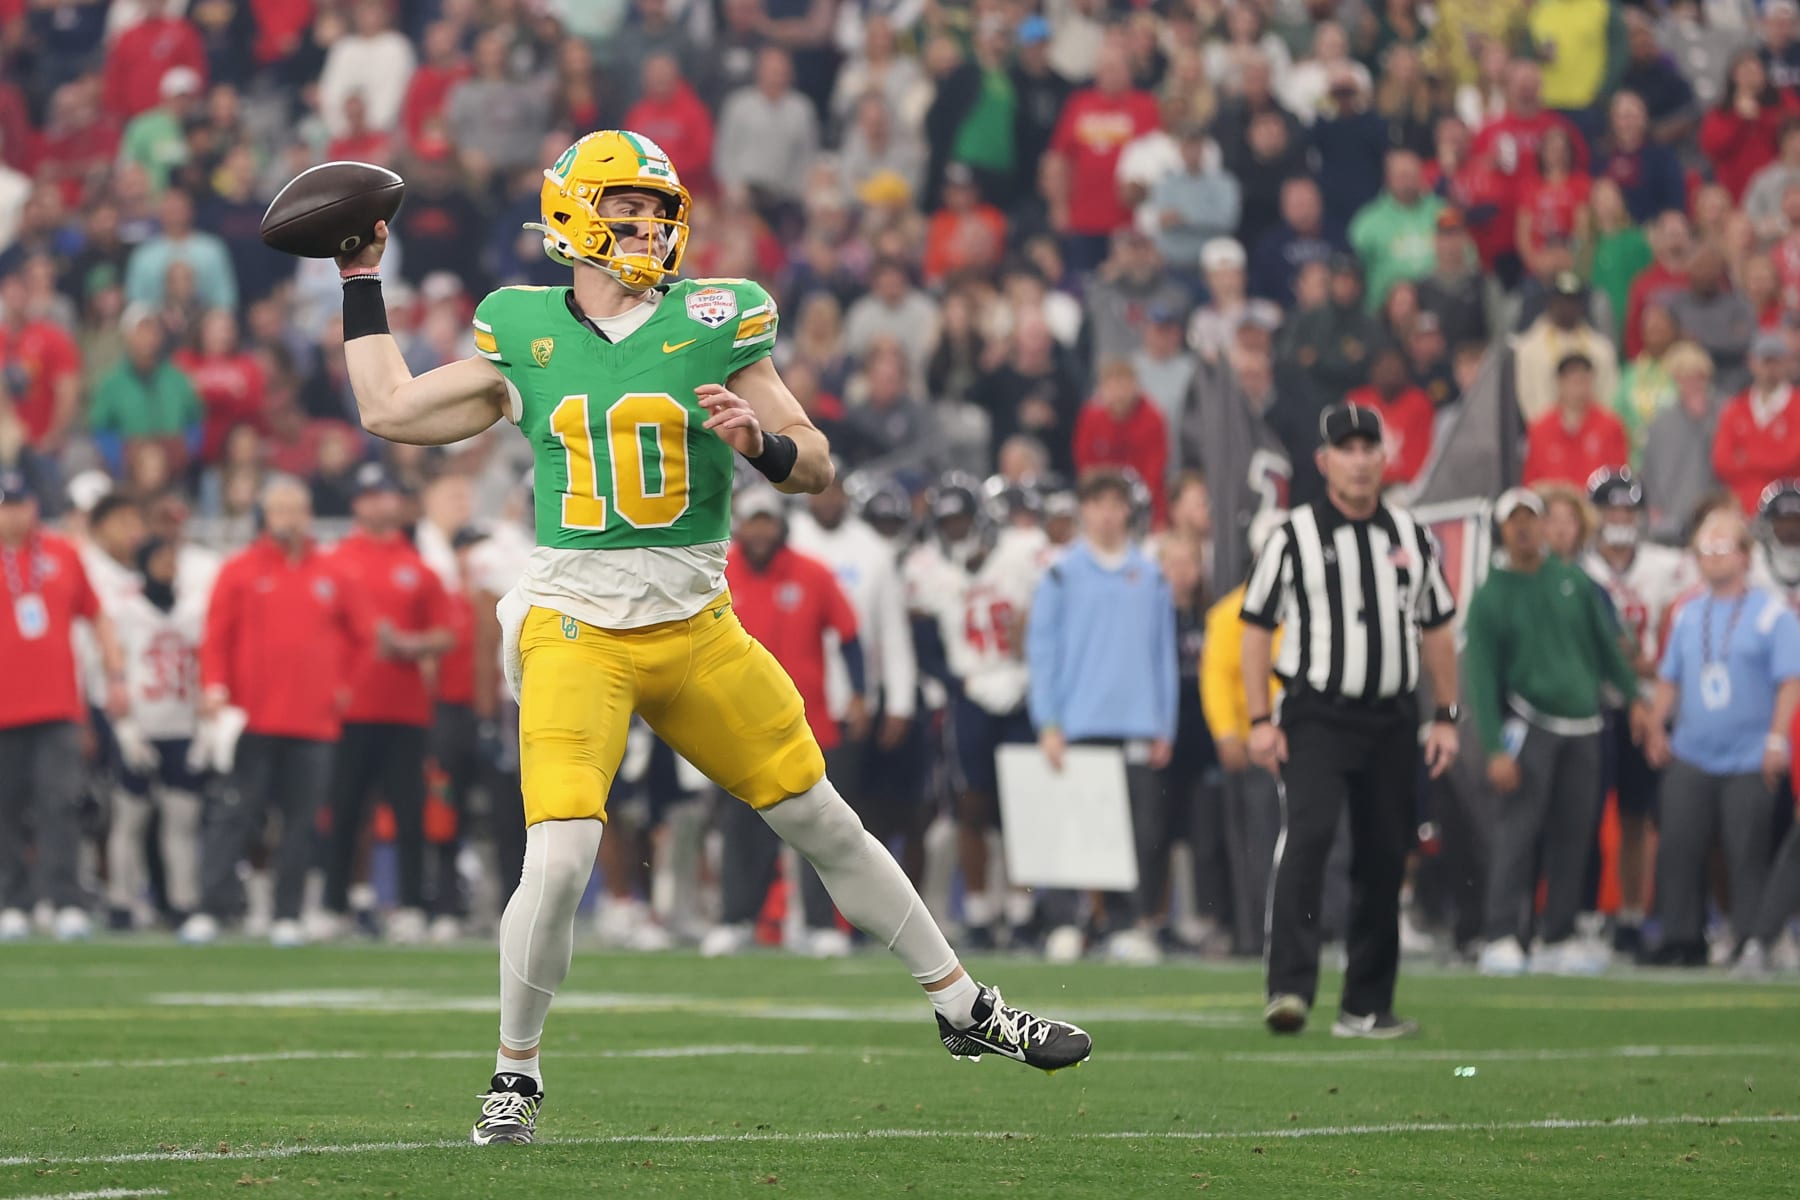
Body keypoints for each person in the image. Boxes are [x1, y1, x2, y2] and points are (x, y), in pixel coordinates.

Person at [331, 129, 1091, 1145]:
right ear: (574, 215)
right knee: (558, 861)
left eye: (657, 206)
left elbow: (817, 463)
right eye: (628, 206)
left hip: (696, 625)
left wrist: (762, 443)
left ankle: (962, 1007)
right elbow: (386, 409)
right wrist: (361, 279)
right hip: (577, 627)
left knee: (824, 819)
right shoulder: (521, 329)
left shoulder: (715, 318)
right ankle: (515, 1074)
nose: (650, 223)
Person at [1240, 404, 1460, 1038]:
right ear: (1324, 460)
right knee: (1307, 840)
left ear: (1384, 459)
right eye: (1348, 448)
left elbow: (1438, 627)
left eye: (1369, 448)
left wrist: (1444, 716)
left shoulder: (1412, 536)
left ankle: (1365, 1005)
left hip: (1391, 716)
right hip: (1316, 712)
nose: (1360, 460)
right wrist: (1260, 717)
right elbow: (1255, 629)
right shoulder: (1292, 535)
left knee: (1385, 855)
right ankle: (1289, 988)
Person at [1464, 487, 1653, 977]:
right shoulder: (1490, 596)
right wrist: (1492, 748)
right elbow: (1481, 681)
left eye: (1533, 517)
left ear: (1545, 525)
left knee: (1576, 834)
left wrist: (1633, 696)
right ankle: (1502, 932)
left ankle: (1558, 935)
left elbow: (1608, 649)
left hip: (1585, 724)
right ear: (1502, 530)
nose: (1525, 528)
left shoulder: (1574, 582)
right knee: (1518, 833)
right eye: (1515, 521)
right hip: (1531, 723)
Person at [187, 475, 367, 948]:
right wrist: (214, 688)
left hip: (313, 721)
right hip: (251, 717)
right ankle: (212, 907)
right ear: (264, 514)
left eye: (297, 508)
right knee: (235, 815)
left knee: (302, 821)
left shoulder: (332, 573)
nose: (289, 518)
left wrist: (343, 685)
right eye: (280, 508)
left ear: (309, 514)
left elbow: (360, 636)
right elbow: (215, 638)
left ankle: (288, 912)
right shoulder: (239, 570)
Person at [705, 484, 865, 959]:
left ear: (781, 525)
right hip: (736, 724)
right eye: (751, 521)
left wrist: (858, 693)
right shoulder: (717, 572)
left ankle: (822, 923)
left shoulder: (812, 573)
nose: (758, 531)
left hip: (808, 722)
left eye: (766, 521)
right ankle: (737, 918)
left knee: (818, 827)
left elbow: (850, 634)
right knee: (742, 829)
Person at [1025, 469, 1179, 964]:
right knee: (1079, 830)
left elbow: (1164, 654)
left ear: (1127, 511)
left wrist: (1165, 723)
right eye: (1099, 503)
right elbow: (1042, 650)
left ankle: (1129, 924)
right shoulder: (1061, 573)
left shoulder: (1151, 574)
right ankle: (1069, 923)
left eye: (1117, 504)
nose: (1108, 514)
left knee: (1142, 832)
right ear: (1084, 510)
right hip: (1080, 723)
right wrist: (1047, 721)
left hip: (1136, 723)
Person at [1647, 507, 1800, 970]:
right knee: (1677, 843)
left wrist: (1777, 740)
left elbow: (1791, 680)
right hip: (1692, 749)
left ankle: (1754, 937)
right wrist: (1656, 723)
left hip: (1750, 753)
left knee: (1745, 850)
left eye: (1721, 548)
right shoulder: (1688, 612)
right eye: (1704, 549)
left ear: (1746, 555)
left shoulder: (1772, 613)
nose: (1711, 558)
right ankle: (1681, 937)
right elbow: (1669, 676)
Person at [318, 462, 455, 943]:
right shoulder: (334, 562)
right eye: (373, 495)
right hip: (350, 708)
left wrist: (409, 646)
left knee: (408, 809)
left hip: (404, 707)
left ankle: (412, 904)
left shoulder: (416, 567)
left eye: (389, 495)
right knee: (345, 808)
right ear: (358, 503)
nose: (383, 503)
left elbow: (446, 633)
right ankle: (334, 903)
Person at [0, 467, 126, 941]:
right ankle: (13, 901)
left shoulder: (61, 554)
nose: (14, 514)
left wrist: (115, 676)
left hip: (57, 707)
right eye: (6, 505)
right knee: (5, 809)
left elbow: (99, 618)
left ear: (34, 505)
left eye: (20, 503)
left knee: (61, 805)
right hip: (2, 708)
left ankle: (65, 899)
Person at [1581, 469, 1696, 955]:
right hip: (1595, 702)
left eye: (1628, 510)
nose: (1620, 519)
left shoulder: (1669, 565)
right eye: (1611, 510)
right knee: (1584, 814)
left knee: (1638, 815)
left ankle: (1631, 913)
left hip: (1652, 703)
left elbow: (1691, 607)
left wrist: (1663, 653)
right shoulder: (1581, 569)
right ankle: (1584, 914)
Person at [104, 533, 208, 931]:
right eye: (161, 558)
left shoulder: (193, 610)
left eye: (172, 558)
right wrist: (126, 727)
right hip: (141, 725)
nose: (169, 565)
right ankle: (120, 901)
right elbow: (112, 672)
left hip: (181, 725)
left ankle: (183, 901)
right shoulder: (126, 612)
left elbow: (204, 665)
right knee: (130, 819)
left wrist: (204, 726)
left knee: (181, 820)